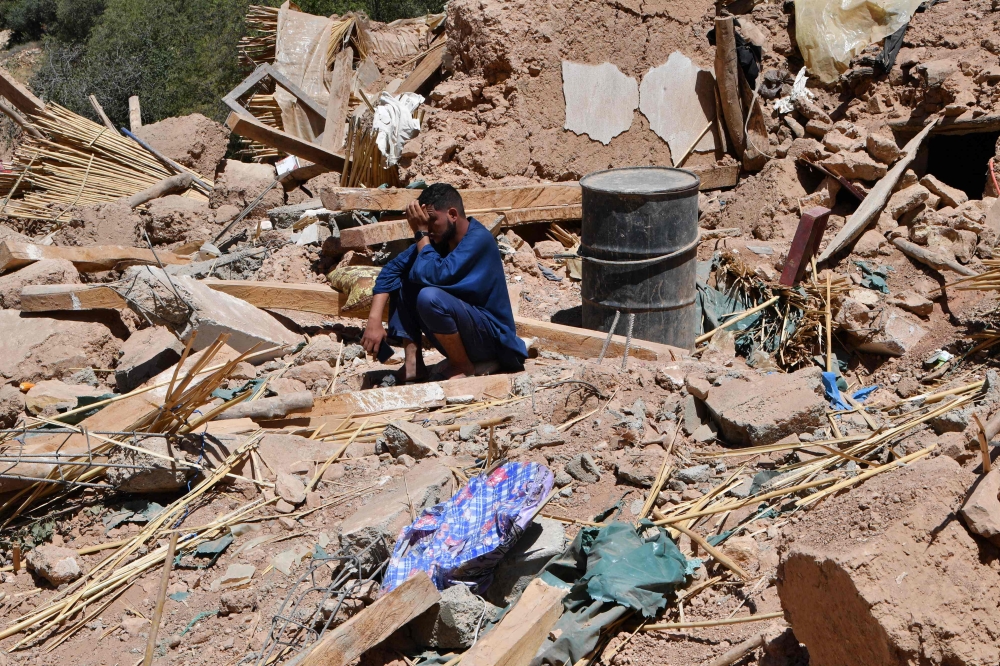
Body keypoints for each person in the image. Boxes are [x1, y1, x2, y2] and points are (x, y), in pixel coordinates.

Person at [360, 183, 527, 380]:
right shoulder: (439, 241)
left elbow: (437, 274)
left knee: (429, 296)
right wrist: (374, 321)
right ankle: (414, 365)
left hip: (493, 339)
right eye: (424, 223)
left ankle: (462, 366)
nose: (428, 230)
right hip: (465, 333)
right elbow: (391, 271)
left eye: (432, 221)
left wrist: (421, 234)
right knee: (406, 280)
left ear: (453, 215)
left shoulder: (478, 240)